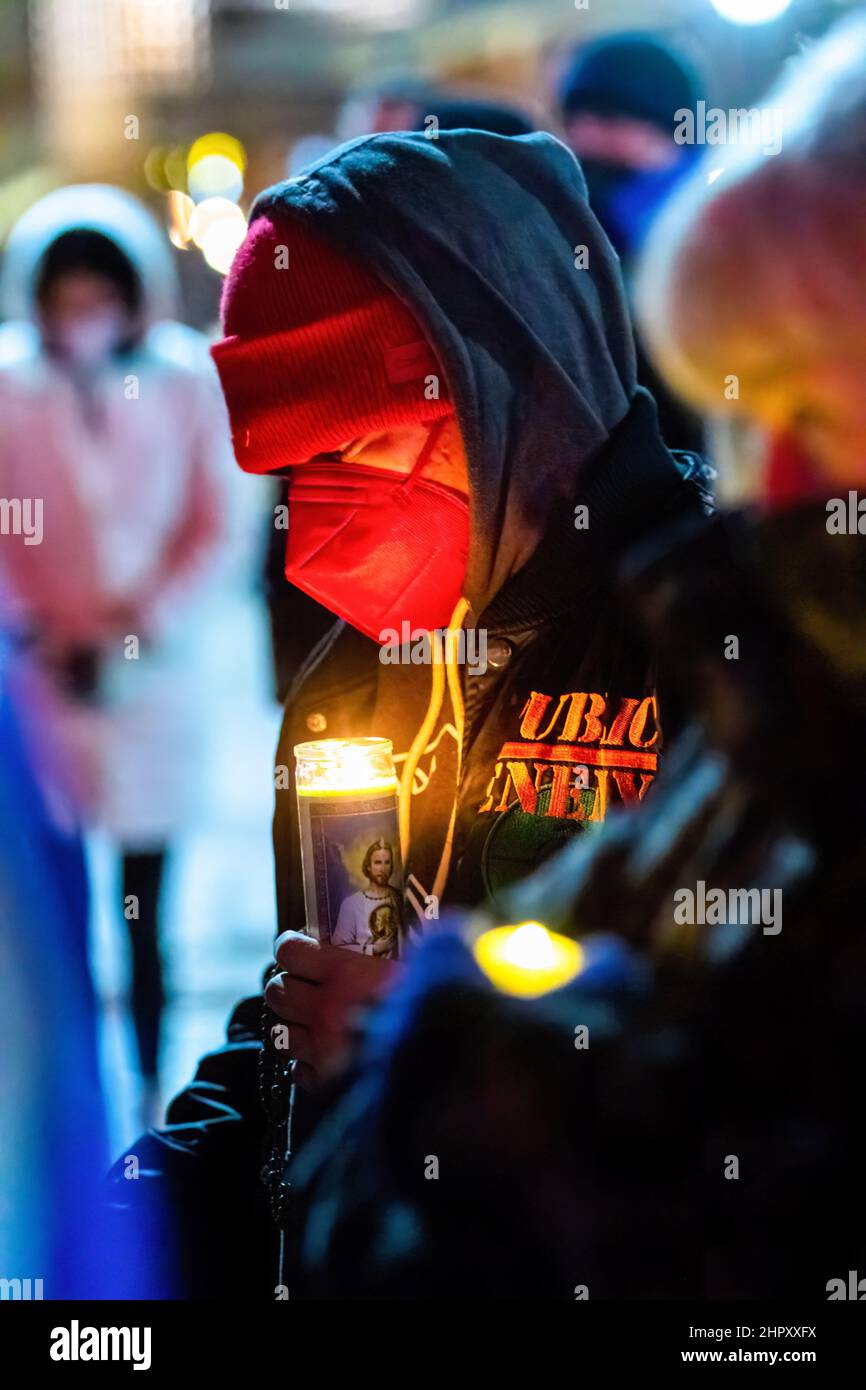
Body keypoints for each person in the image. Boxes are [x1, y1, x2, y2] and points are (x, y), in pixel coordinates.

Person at [285, 11, 866, 1298]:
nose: (764, 487)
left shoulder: (681, 649)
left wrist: (448, 1062)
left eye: (813, 413)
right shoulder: (765, 698)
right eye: (745, 416)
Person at [106, 128, 711, 1295]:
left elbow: (760, 1086)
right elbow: (303, 1014)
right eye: (296, 460)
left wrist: (440, 1039)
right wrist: (124, 1223)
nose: (324, 497)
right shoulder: (354, 673)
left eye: (359, 437)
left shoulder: (706, 639)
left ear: (504, 385)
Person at [0, 186, 232, 1112]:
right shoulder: (9, 387)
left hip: (155, 682)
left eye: (101, 292)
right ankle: (69, 1102)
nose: (83, 314)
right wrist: (37, 630)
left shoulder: (184, 380)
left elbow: (215, 525)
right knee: (51, 914)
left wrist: (141, 629)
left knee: (147, 908)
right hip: (43, 680)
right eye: (67, 295)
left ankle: (145, 1094)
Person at [558, 32, 705, 452]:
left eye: (607, 117)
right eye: (575, 118)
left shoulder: (717, 227)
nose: (584, 136)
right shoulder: (583, 219)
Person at [332, 839, 401, 955]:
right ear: (368, 866)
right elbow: (338, 948)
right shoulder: (351, 904)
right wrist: (373, 949)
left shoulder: (400, 898)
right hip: (367, 970)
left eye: (387, 862)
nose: (383, 869)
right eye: (378, 862)